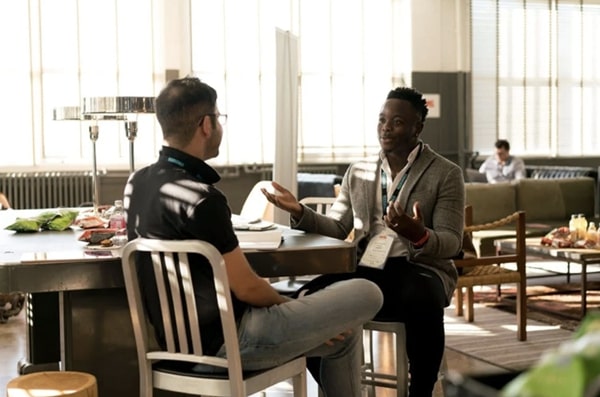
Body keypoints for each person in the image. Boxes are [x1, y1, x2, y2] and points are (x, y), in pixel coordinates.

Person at [124, 76, 383, 397]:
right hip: (231, 342)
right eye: (218, 118)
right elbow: (246, 287)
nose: (219, 126)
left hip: (172, 345)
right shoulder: (204, 198)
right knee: (368, 291)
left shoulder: (137, 183)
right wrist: (290, 305)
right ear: (206, 124)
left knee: (343, 336)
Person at [262, 87, 465, 397]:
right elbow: (338, 226)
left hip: (421, 269)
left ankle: (420, 391)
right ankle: (336, 389)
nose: (386, 127)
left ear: (417, 128)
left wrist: (418, 234)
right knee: (307, 299)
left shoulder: (446, 173)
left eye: (396, 121)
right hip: (368, 266)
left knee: (422, 297)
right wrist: (299, 211)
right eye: (382, 120)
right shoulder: (358, 172)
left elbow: (451, 242)